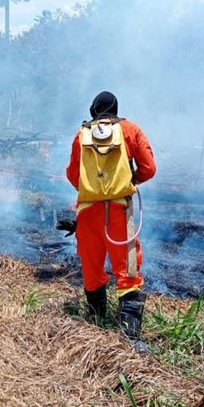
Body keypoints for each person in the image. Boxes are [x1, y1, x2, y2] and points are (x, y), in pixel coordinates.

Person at [60, 91, 156, 351]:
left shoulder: (81, 135)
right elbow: (149, 168)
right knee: (127, 270)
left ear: (94, 111)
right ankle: (130, 338)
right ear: (115, 109)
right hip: (118, 211)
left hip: (88, 211)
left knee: (91, 268)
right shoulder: (130, 129)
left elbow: (73, 174)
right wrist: (130, 180)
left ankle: (96, 323)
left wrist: (93, 190)